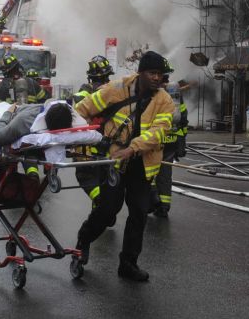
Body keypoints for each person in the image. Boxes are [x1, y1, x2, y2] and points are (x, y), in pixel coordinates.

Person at [74, 50, 174, 282]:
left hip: (141, 165)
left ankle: (128, 263)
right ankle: (84, 239)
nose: (157, 78)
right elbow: (84, 109)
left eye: (160, 74)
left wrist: (132, 148)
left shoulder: (164, 101)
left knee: (138, 213)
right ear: (140, 72)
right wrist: (71, 132)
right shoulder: (116, 88)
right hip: (114, 163)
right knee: (108, 210)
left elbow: (159, 132)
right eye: (152, 73)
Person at [72, 55, 115, 211]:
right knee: (103, 179)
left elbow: (77, 111)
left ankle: (100, 203)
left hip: (88, 147)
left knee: (86, 176)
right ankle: (101, 210)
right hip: (109, 146)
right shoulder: (113, 90)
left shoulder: (85, 92)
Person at [151, 60, 189, 218]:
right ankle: (164, 206)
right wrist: (181, 143)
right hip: (171, 142)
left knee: (149, 173)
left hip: (155, 141)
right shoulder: (175, 93)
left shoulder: (154, 93)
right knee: (165, 175)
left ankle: (152, 202)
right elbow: (183, 120)